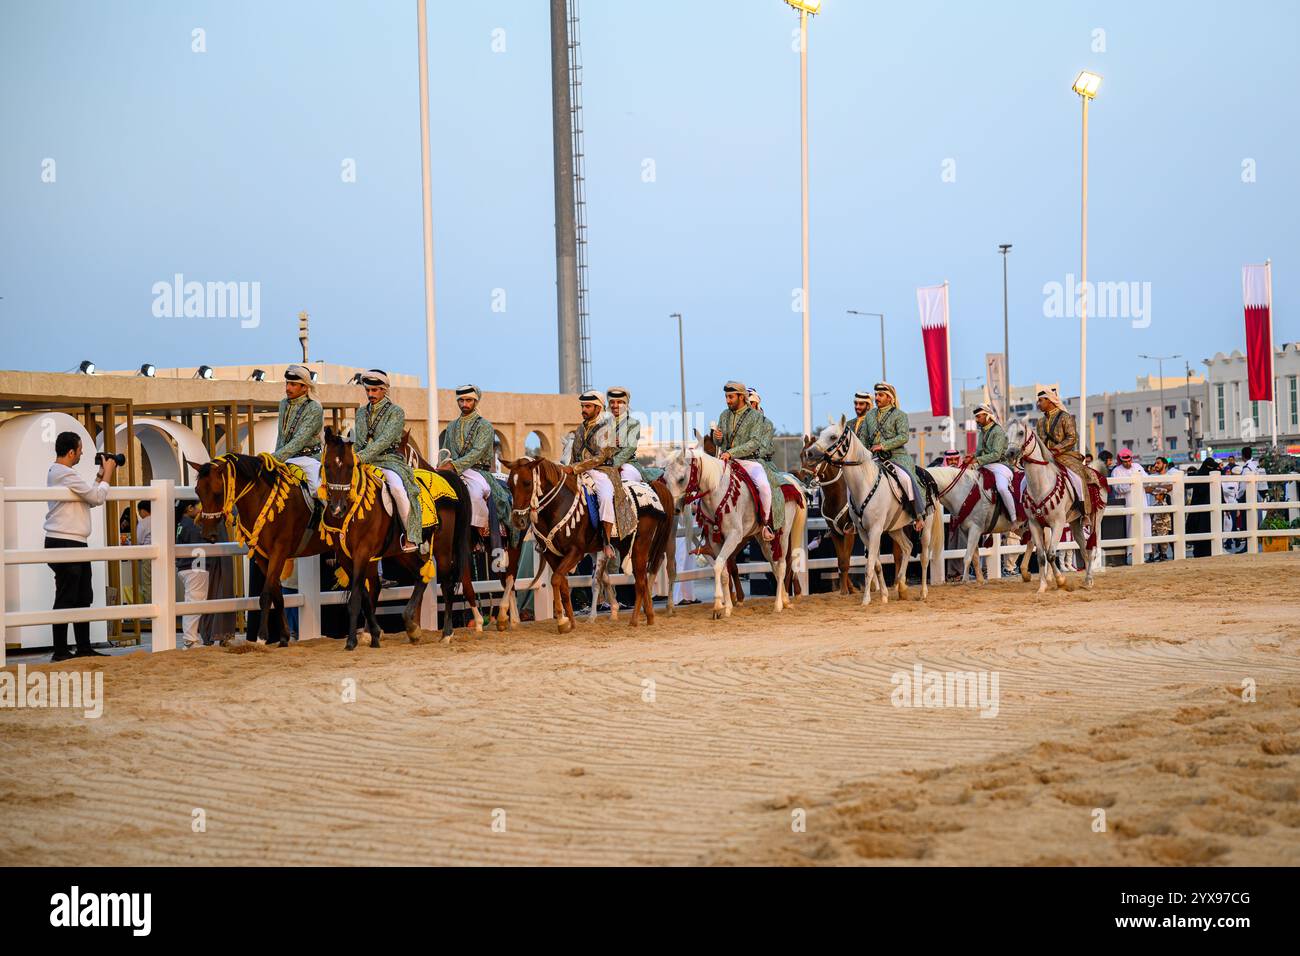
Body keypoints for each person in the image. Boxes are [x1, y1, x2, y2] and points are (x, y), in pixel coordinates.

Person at [44, 432, 115, 661]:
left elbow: (89, 498)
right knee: (66, 596)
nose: (83, 453)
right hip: (64, 540)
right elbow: (96, 498)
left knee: (83, 595)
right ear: (72, 451)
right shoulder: (62, 473)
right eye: (80, 449)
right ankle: (61, 651)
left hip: (74, 541)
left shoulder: (63, 473)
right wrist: (108, 477)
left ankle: (83, 648)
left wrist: (99, 477)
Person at [353, 370, 422, 552]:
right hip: (364, 462)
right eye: (368, 390)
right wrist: (350, 458)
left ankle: (410, 534)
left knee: (398, 488)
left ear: (384, 390)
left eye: (375, 390)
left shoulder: (396, 412)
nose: (370, 394)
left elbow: (385, 440)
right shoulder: (361, 413)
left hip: (389, 461)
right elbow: (359, 441)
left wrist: (359, 457)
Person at [711, 381, 778, 541]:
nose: (727, 400)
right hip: (726, 462)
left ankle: (766, 524)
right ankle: (707, 528)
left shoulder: (755, 417)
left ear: (741, 397)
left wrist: (731, 453)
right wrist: (717, 438)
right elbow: (718, 442)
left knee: (764, 486)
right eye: (726, 397)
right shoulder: (723, 415)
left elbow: (754, 442)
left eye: (731, 397)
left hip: (750, 462)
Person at [560, 389, 618, 560]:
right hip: (579, 470)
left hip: (602, 471)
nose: (583, 409)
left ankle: (606, 541)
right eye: (582, 406)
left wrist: (575, 468)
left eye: (588, 406)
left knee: (606, 496)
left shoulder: (607, 428)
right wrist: (569, 468)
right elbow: (574, 455)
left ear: (598, 408)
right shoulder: (579, 429)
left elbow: (602, 456)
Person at [865, 382, 926, 531]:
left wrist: (883, 445)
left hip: (896, 456)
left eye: (880, 395)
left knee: (906, 479)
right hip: (874, 458)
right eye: (876, 395)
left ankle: (918, 514)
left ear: (890, 398)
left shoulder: (900, 415)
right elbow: (864, 437)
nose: (877, 398)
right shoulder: (870, 415)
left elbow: (903, 437)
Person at [1034, 388, 1101, 518]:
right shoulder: (1040, 422)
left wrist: (1056, 449)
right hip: (1045, 457)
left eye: (1040, 400)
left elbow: (1072, 438)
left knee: (1077, 477)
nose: (1038, 403)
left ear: (1050, 401)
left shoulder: (1065, 417)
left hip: (1064, 456)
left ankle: (1083, 511)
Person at [442, 384, 496, 540]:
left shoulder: (484, 426)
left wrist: (453, 465)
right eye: (461, 400)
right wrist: (443, 464)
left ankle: (478, 530)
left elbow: (476, 453)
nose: (464, 404)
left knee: (473, 494)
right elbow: (445, 451)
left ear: (475, 401)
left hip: (478, 471)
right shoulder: (451, 426)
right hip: (452, 470)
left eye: (468, 400)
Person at [272, 363, 324, 495]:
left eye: (293, 384)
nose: (288, 388)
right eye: (287, 383)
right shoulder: (283, 404)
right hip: (284, 458)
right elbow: (281, 436)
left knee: (317, 492)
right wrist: (274, 460)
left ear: (305, 387)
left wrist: (274, 458)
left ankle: (324, 514)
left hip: (309, 460)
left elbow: (299, 440)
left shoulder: (314, 408)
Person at [966, 403, 1017, 520]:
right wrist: (970, 457)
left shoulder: (998, 431)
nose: (976, 420)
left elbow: (996, 454)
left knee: (1002, 488)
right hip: (985, 465)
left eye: (979, 416)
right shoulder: (982, 432)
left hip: (1000, 466)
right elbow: (978, 451)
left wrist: (976, 460)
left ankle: (1014, 518)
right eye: (976, 417)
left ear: (987, 416)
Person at [174, 499, 208, 648]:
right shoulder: (193, 525)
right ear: (189, 508)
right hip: (195, 567)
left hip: (184, 567)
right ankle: (190, 640)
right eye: (198, 507)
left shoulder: (180, 523)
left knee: (192, 601)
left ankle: (191, 638)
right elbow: (199, 547)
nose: (200, 510)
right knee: (195, 603)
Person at [1108, 448, 1151, 563]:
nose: (1127, 463)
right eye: (1124, 461)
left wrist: (1138, 481)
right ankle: (1130, 555)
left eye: (1129, 461)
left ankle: (1144, 555)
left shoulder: (1138, 467)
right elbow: (1118, 488)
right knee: (1129, 528)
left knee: (1144, 526)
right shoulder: (1116, 471)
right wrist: (1132, 483)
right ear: (1121, 461)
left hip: (1141, 501)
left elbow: (1147, 480)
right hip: (1128, 503)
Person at [1186, 456, 1221, 557]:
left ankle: (1201, 552)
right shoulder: (1209, 475)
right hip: (1203, 509)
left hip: (1200, 509)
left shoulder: (1200, 475)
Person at [1147, 456, 1175, 560]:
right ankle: (1151, 555)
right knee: (1152, 533)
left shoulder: (1170, 476)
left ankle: (1163, 554)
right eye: (1155, 463)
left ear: (1165, 465)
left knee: (1164, 532)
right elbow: (1146, 489)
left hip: (1165, 510)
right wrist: (1161, 489)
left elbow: (1169, 487)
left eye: (1158, 463)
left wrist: (1155, 489)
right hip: (1152, 510)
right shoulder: (1151, 476)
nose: (1156, 465)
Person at [136, 499, 152, 606]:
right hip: (162, 554)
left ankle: (149, 607)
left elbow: (139, 540)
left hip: (147, 553)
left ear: (143, 510)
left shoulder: (143, 522)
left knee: (147, 582)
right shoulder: (160, 519)